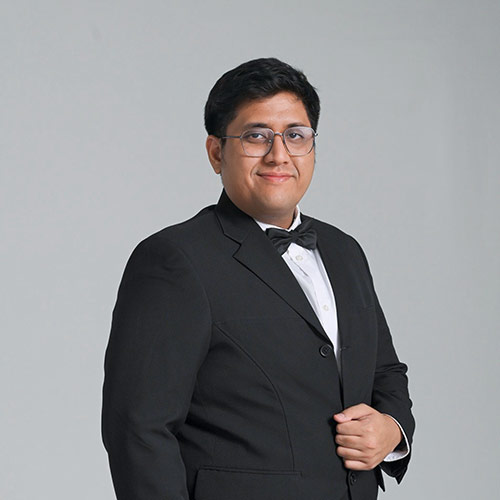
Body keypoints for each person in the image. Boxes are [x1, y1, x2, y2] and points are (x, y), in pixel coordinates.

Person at [102, 57, 415, 500]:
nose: (279, 154)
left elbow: (384, 370)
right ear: (216, 152)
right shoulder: (174, 260)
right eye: (256, 136)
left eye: (295, 135)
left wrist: (392, 429)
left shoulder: (344, 251)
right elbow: (138, 430)